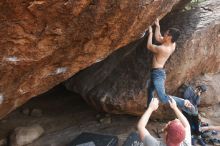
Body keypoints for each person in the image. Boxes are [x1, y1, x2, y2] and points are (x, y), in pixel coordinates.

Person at [146, 18, 193, 110]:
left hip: (158, 74)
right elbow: (159, 38)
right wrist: (157, 26)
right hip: (155, 72)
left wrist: (150, 33)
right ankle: (149, 108)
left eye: (166, 34)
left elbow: (149, 46)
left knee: (163, 97)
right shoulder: (172, 44)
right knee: (150, 90)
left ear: (170, 37)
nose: (164, 34)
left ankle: (183, 102)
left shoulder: (163, 49)